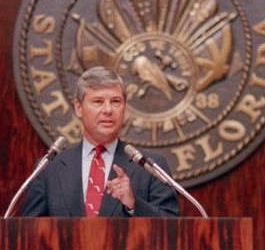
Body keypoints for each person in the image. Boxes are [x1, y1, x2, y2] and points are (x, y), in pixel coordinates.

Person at [22, 66, 180, 217]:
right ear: (78, 107)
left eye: (116, 101)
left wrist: (134, 204)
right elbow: (29, 231)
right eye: (98, 102)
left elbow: (172, 229)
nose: (108, 110)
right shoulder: (49, 168)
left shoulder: (150, 167)